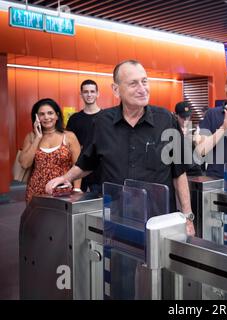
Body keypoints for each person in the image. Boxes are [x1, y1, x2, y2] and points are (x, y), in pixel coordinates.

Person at [45, 60, 194, 236]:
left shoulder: (166, 120)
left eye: (144, 81)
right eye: (133, 83)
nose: (142, 88)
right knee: (118, 263)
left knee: (158, 264)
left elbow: (179, 173)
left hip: (158, 221)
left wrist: (188, 217)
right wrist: (66, 178)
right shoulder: (102, 123)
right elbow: (88, 162)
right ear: (116, 90)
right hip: (116, 218)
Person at [19, 98, 81, 203]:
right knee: (37, 219)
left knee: (60, 219)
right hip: (36, 191)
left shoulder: (69, 136)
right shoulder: (31, 137)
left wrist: (77, 188)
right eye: (42, 114)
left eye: (50, 113)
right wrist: (38, 138)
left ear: (57, 115)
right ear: (36, 117)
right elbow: (25, 164)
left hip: (62, 190)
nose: (46, 117)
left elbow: (78, 165)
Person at [66, 79, 102, 193]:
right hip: (78, 170)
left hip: (99, 171)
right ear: (81, 94)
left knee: (99, 208)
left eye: (92, 91)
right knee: (77, 207)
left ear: (98, 94)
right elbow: (68, 145)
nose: (89, 94)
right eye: (86, 92)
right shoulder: (74, 119)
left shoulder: (106, 118)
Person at [174, 101, 202, 176]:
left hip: (195, 169)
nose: (186, 120)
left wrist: (197, 142)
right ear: (176, 115)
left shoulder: (194, 129)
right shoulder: (172, 128)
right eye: (183, 117)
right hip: (178, 171)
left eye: (188, 116)